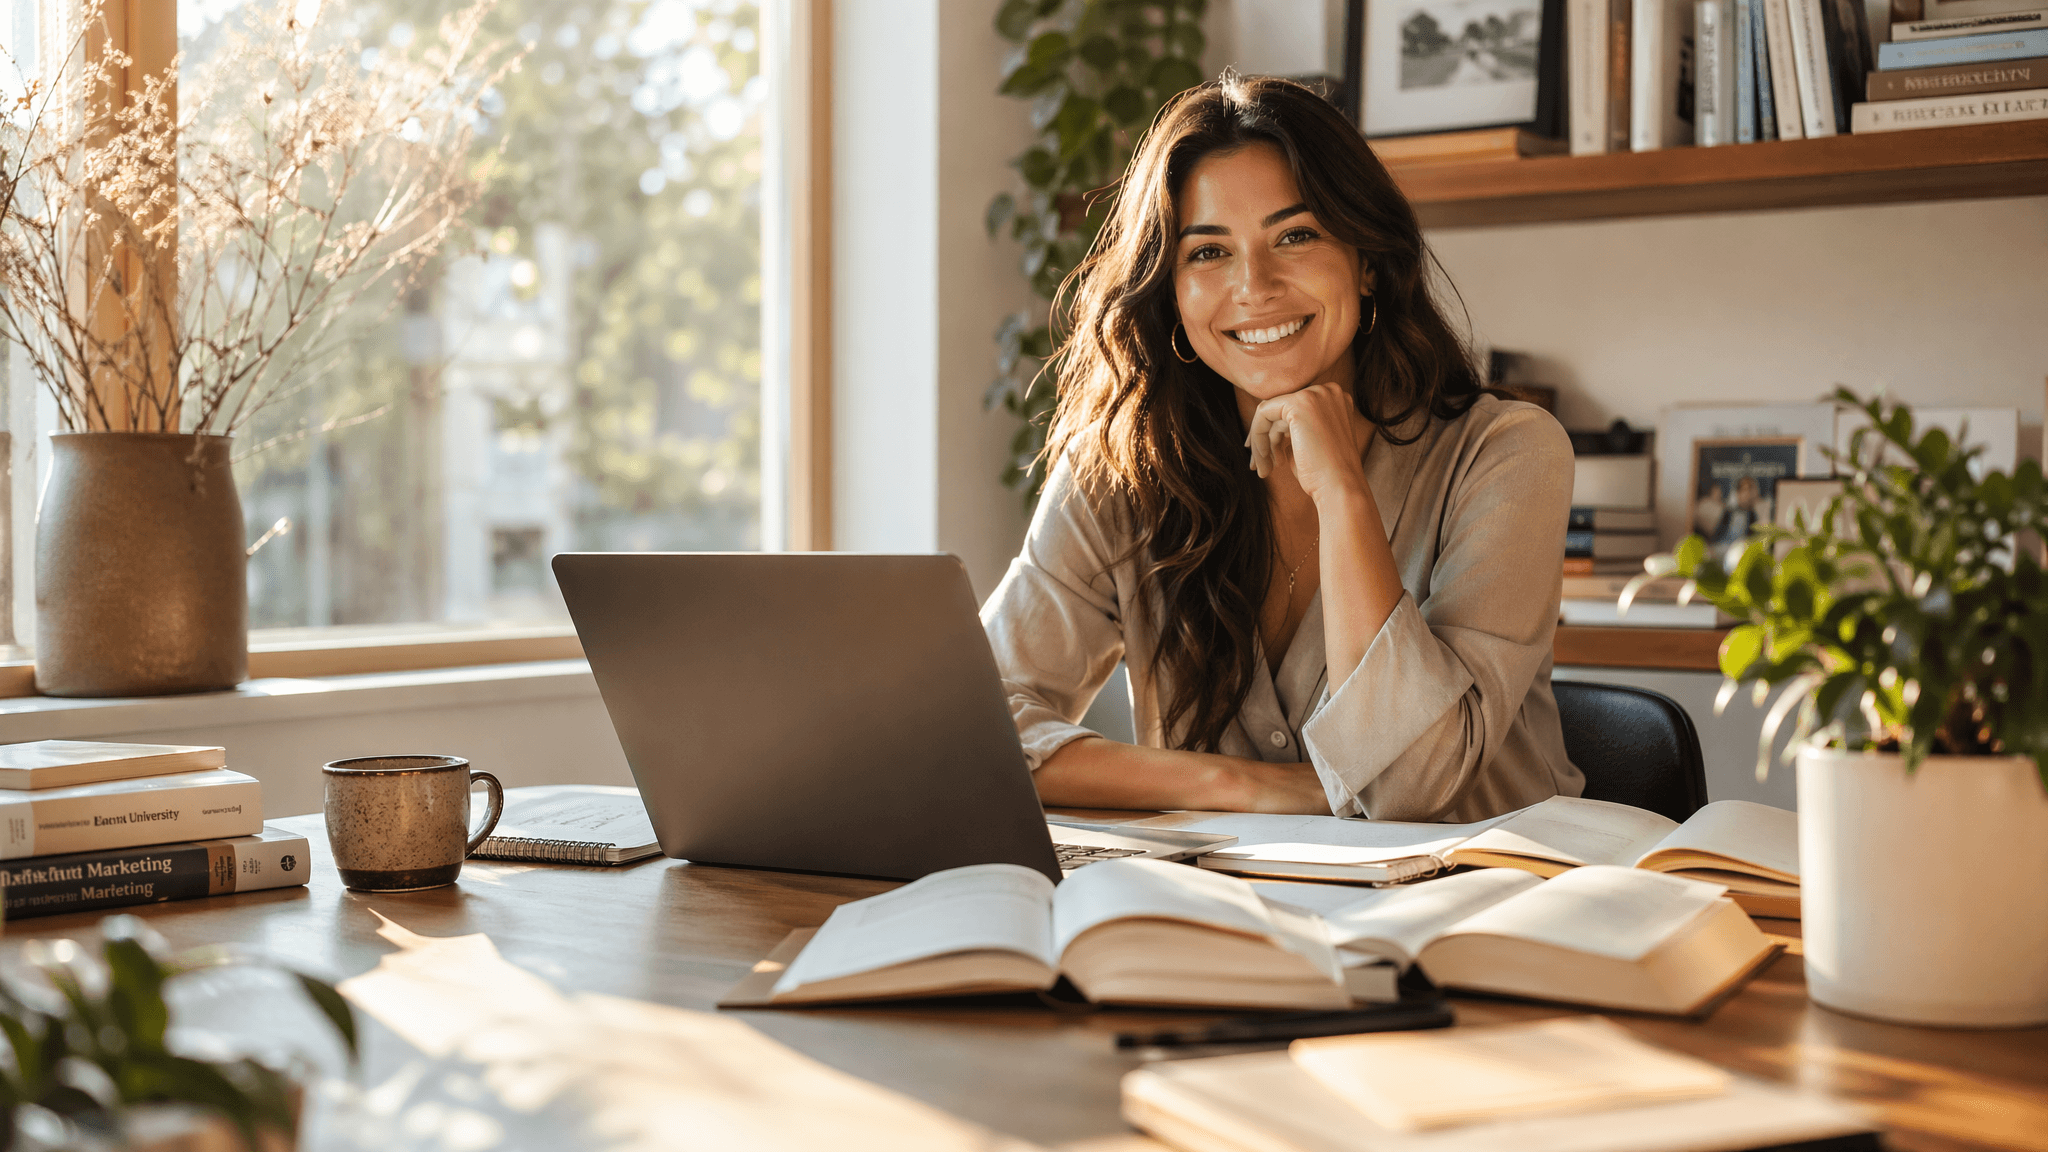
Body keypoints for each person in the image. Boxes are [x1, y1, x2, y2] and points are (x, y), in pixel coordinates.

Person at [980, 75, 1582, 823]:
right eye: (1207, 253)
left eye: (1295, 236)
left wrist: (1343, 493)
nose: (1253, 285)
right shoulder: (1121, 468)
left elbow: (1407, 788)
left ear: (1366, 260)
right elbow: (976, 723)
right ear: (1169, 291)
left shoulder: (1508, 456)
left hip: (1485, 916)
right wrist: (1228, 786)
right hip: (1232, 915)